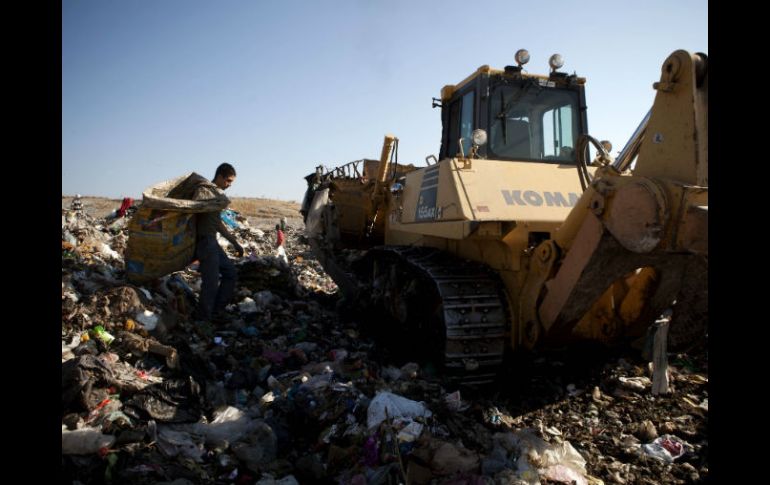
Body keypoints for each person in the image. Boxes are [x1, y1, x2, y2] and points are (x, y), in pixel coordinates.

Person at [192, 163, 244, 323]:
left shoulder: (216, 196)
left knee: (230, 273)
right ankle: (203, 319)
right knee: (211, 282)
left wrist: (234, 242)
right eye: (228, 181)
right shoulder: (206, 192)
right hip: (205, 242)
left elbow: (217, 223)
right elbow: (194, 209)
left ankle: (216, 310)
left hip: (212, 241)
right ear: (220, 177)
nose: (229, 185)